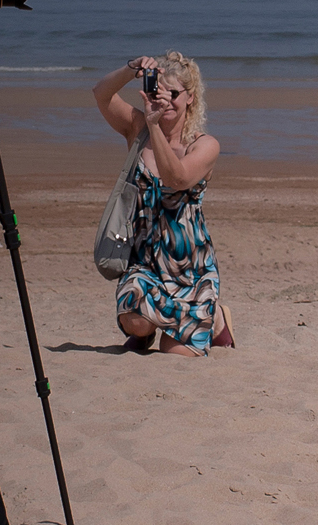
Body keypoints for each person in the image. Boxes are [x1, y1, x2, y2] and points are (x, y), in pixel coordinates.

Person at [91, 53, 234, 356]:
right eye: (159, 91)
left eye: (174, 94)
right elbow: (101, 94)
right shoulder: (137, 128)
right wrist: (131, 69)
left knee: (174, 353)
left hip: (190, 269)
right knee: (133, 319)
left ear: (191, 97)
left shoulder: (204, 145)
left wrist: (155, 127)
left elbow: (177, 179)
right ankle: (147, 329)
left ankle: (218, 318)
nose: (165, 100)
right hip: (146, 263)